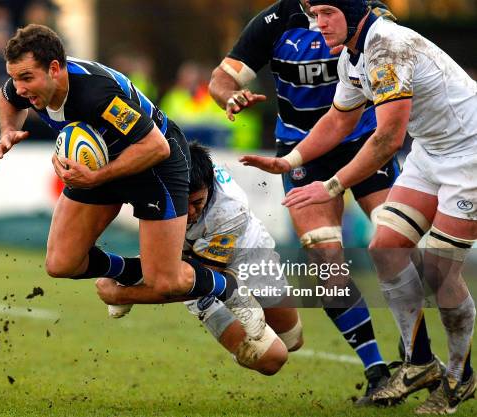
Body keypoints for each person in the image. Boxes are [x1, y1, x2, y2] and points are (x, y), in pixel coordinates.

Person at [244, 0, 476, 413]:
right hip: (431, 150)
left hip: (469, 153)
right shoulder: (352, 55)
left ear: (353, 12)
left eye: (327, 13)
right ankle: (420, 363)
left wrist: (331, 186)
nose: (318, 25)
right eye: (314, 15)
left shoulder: (384, 48)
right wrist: (290, 161)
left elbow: (387, 139)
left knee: (441, 271)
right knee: (385, 247)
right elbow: (338, 120)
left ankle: (459, 378)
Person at [0, 24, 268, 354]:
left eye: (26, 78)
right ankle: (134, 269)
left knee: (165, 282)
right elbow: (6, 97)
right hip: (103, 164)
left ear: (54, 68)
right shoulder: (27, 85)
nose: (19, 88)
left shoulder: (96, 94)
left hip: (155, 165)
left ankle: (228, 286)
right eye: (15, 78)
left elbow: (157, 146)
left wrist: (98, 177)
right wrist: (7, 131)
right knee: (62, 263)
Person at [209, 0, 397, 405]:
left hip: (365, 143)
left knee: (399, 248)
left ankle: (420, 356)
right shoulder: (274, 22)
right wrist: (229, 97)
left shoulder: (365, 12)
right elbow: (220, 80)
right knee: (326, 263)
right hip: (302, 152)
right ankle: (377, 370)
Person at [97, 142, 304, 375]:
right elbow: (190, 280)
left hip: (247, 255)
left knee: (292, 340)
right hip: (188, 262)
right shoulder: (156, 184)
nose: (191, 211)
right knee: (271, 359)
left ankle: (129, 276)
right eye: (184, 203)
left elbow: (200, 280)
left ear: (209, 186)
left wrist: (122, 293)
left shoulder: (230, 209)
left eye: (197, 202)